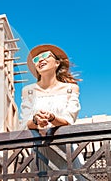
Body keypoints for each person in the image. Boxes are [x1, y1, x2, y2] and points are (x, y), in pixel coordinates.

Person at [20, 44, 84, 180]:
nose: (40, 60)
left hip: (67, 152)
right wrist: (36, 120)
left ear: (57, 63)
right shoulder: (28, 91)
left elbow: (69, 119)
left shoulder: (71, 88)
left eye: (44, 56)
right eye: (36, 59)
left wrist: (52, 117)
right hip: (41, 154)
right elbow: (25, 122)